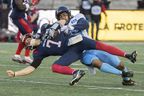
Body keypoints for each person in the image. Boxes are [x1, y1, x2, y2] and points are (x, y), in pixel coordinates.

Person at [7, 6, 137, 86]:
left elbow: (62, 21)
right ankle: (76, 73)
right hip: (73, 51)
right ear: (28, 46)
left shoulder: (45, 28)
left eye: (28, 38)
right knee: (55, 66)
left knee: (101, 47)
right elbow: (31, 68)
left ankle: (127, 55)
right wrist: (15, 74)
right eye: (26, 42)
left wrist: (55, 28)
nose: (28, 40)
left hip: (77, 40)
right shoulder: (38, 53)